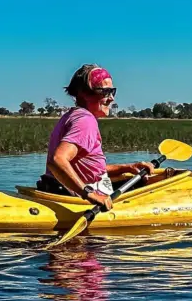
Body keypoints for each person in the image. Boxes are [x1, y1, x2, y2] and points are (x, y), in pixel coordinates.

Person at [39, 64, 155, 210]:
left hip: (55, 189)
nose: (111, 98)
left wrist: (128, 167)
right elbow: (56, 161)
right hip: (71, 198)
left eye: (113, 91)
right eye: (105, 92)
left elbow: (89, 170)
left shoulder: (72, 115)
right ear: (84, 93)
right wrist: (89, 194)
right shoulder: (85, 120)